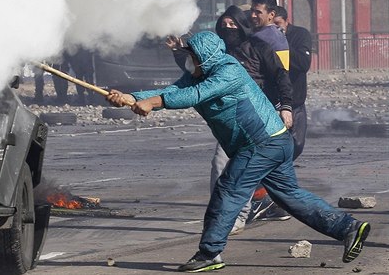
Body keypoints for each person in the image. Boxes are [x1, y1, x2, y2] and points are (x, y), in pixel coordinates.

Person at [106, 31, 370, 273]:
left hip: (261, 144)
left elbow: (195, 95)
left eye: (191, 56)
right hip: (271, 142)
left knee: (229, 190)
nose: (188, 61)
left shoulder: (227, 70)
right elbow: (174, 90)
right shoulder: (199, 73)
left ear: (204, 58)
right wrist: (130, 97)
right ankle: (349, 228)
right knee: (291, 197)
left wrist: (152, 103)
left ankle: (209, 253)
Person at [213, 6, 294, 232]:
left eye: (233, 24)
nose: (228, 28)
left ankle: (244, 213)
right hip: (231, 119)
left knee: (251, 169)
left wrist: (286, 107)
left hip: (259, 118)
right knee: (220, 164)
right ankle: (224, 215)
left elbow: (281, 76)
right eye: (224, 24)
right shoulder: (218, 52)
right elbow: (196, 72)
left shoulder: (259, 47)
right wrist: (180, 52)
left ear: (242, 25)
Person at [274, 6, 312, 160]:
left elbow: (304, 63)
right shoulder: (262, 37)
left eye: (278, 24)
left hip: (296, 99)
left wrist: (281, 43)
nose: (275, 29)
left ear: (286, 22)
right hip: (274, 100)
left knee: (297, 144)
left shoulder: (300, 35)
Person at [249, 0, 290, 71]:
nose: (253, 15)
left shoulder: (261, 37)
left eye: (258, 12)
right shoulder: (279, 34)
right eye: (252, 11)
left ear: (271, 14)